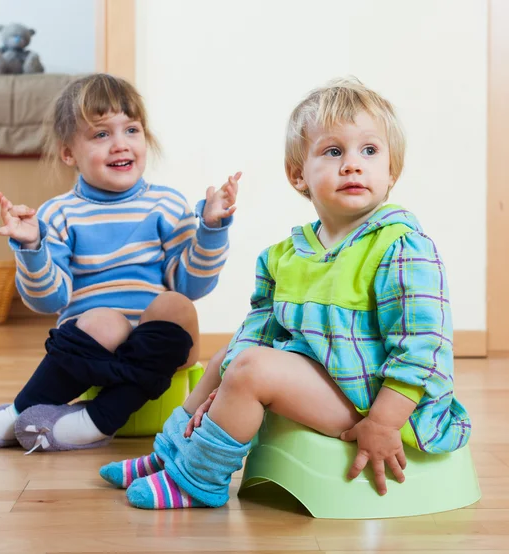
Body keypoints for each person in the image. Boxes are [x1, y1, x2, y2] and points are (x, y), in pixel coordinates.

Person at [100, 77, 472, 509]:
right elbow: (259, 328)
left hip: (387, 406)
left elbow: (423, 347)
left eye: (369, 151)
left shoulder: (402, 246)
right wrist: (225, 387)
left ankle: (199, 479)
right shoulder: (285, 255)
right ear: (298, 175)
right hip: (334, 382)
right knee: (229, 357)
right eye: (334, 152)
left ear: (391, 172)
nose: (352, 164)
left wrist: (385, 423)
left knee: (253, 368)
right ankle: (171, 453)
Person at [0, 73, 241, 453]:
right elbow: (49, 301)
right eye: (101, 134)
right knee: (105, 319)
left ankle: (93, 421)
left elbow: (191, 286)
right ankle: (25, 413)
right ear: (69, 153)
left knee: (176, 304)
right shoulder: (58, 213)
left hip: (159, 346)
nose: (120, 144)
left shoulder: (166, 205)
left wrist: (211, 229)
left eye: (131, 130)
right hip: (93, 348)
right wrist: (32, 246)